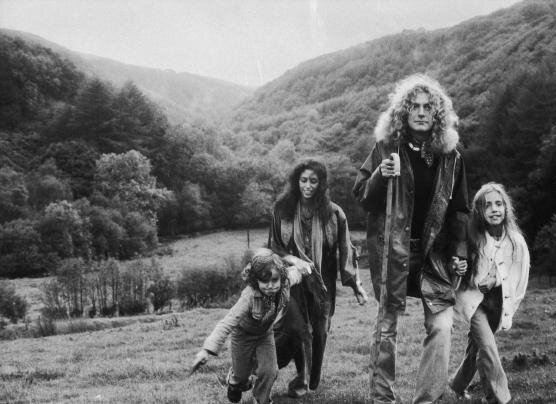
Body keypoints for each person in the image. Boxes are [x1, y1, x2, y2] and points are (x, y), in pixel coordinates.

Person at [353, 73, 470, 404]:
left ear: (437, 114)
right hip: (393, 252)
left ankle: (426, 399)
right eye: (414, 107)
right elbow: (362, 196)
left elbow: (460, 211)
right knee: (386, 327)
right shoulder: (385, 148)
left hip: (435, 255)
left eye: (427, 107)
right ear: (404, 113)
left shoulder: (452, 158)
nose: (420, 112)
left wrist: (460, 251)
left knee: (442, 326)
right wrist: (380, 175)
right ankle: (382, 399)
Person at [269, 159, 368, 398]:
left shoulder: (334, 213)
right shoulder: (282, 209)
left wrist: (355, 284)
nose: (308, 185)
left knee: (319, 332)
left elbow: (345, 249)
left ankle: (305, 379)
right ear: (296, 182)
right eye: (303, 180)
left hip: (323, 284)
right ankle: (262, 368)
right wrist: (295, 261)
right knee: (296, 328)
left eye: (313, 181)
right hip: (292, 280)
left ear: (321, 183)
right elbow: (274, 247)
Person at [190, 248, 310, 404]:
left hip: (265, 335)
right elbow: (227, 322)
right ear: (256, 280)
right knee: (241, 377)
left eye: (274, 280)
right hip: (243, 336)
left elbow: (297, 273)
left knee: (270, 371)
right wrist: (207, 350)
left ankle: (261, 399)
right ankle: (234, 382)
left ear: (281, 278)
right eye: (264, 281)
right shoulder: (249, 296)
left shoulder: (285, 283)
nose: (270, 286)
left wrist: (307, 267)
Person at [450, 182, 530, 403]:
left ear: (506, 207)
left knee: (475, 350)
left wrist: (496, 280)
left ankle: (457, 385)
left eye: (499, 204)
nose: (494, 209)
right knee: (487, 348)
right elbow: (459, 265)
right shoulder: (472, 237)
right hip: (475, 303)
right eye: (488, 205)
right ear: (479, 211)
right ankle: (499, 398)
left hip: (498, 305)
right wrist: (459, 267)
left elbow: (519, 275)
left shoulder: (516, 241)